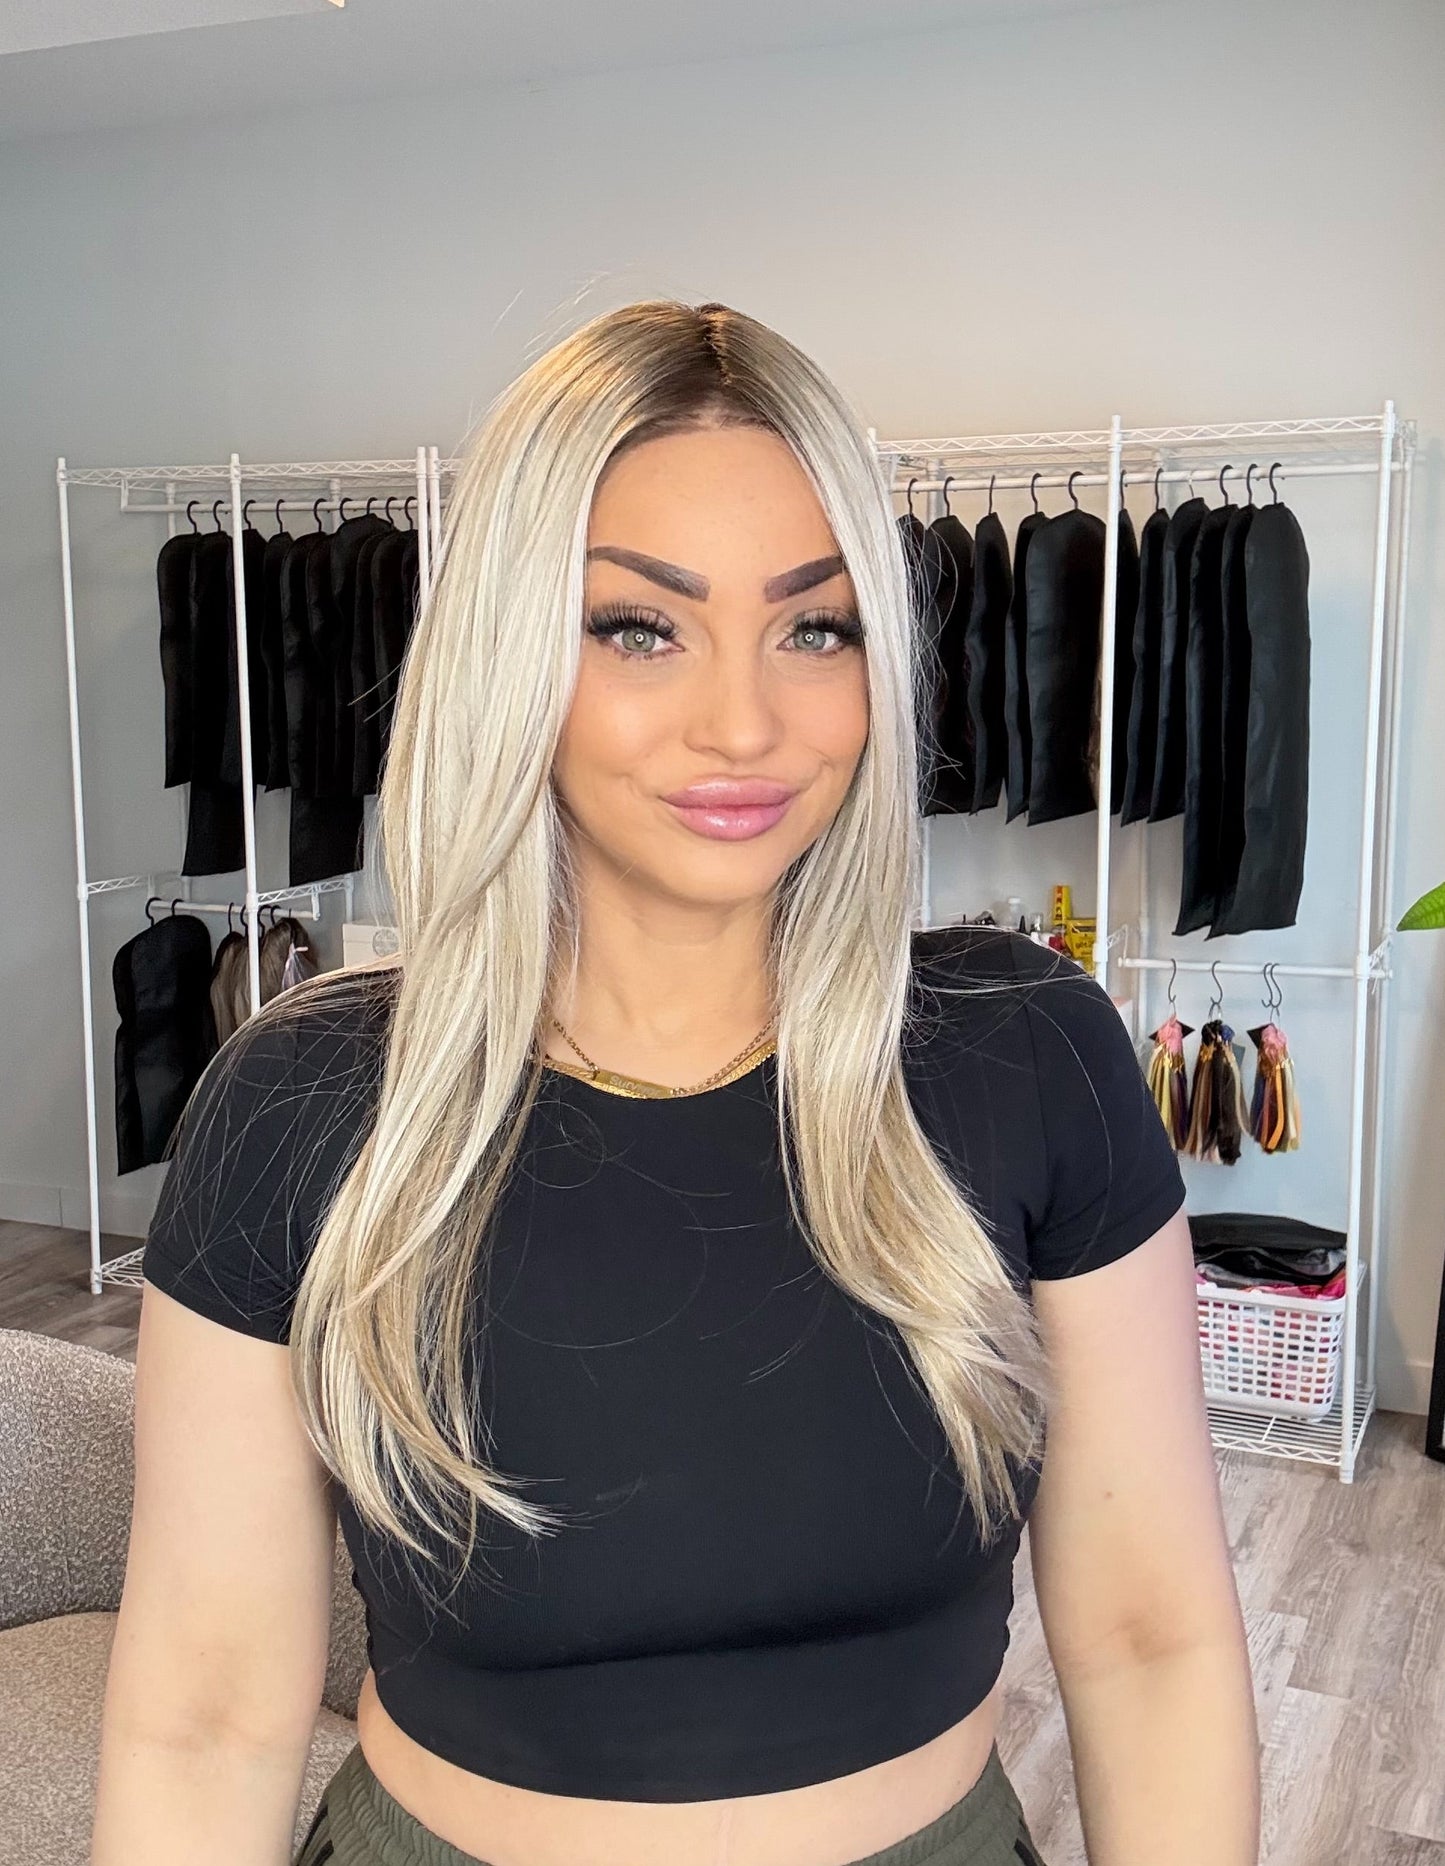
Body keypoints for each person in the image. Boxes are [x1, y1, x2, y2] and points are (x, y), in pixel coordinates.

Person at [95, 301, 1259, 1866]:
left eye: (815, 626)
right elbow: (207, 1708)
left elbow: (1149, 1640)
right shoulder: (305, 1104)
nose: (743, 722)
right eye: (637, 626)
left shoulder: (1026, 1052)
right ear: (511, 651)